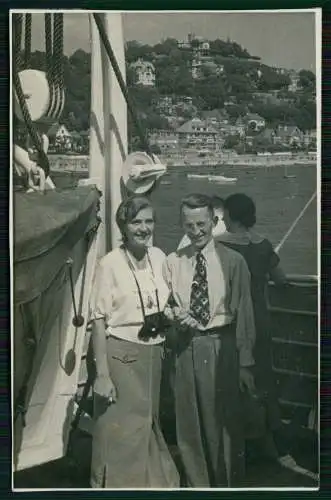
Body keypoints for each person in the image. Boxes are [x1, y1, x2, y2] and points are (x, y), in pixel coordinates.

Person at [163, 193, 256, 487]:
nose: (196, 232)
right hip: (184, 346)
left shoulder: (234, 262)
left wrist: (245, 364)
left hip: (221, 346)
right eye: (189, 226)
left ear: (214, 222)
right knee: (188, 426)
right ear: (183, 225)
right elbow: (163, 305)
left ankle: (227, 485)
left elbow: (245, 315)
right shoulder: (172, 262)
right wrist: (175, 315)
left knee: (224, 426)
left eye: (202, 224)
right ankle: (196, 485)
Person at [89, 195, 179, 488]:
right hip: (121, 357)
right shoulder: (109, 264)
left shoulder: (160, 257)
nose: (144, 228)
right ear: (123, 227)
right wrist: (102, 375)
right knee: (121, 430)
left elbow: (166, 301)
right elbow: (99, 321)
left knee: (147, 424)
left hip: (154, 354)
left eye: (149, 221)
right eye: (136, 222)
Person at [218, 193, 297, 470]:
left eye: (225, 214)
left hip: (233, 320)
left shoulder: (220, 245)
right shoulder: (263, 244)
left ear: (231, 215)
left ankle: (241, 443)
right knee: (263, 380)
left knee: (233, 380)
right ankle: (275, 442)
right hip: (261, 322)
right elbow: (282, 279)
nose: (222, 218)